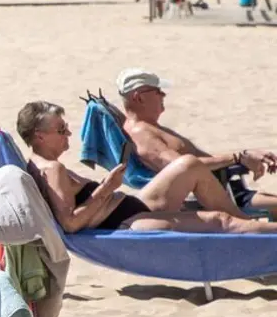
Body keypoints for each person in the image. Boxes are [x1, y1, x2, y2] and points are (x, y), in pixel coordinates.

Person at [17, 101, 277, 234]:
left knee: (189, 165)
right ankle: (251, 231)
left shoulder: (38, 164)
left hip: (128, 208)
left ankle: (249, 229)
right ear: (39, 136)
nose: (69, 133)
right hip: (125, 221)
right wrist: (107, 187)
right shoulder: (52, 169)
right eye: (61, 130)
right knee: (220, 221)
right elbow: (71, 224)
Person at [116, 69, 277, 214]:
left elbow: (199, 160)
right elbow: (184, 168)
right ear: (139, 97)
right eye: (157, 91)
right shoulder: (142, 133)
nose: (163, 95)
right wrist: (238, 158)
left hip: (222, 186)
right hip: (210, 197)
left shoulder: (150, 128)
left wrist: (246, 157)